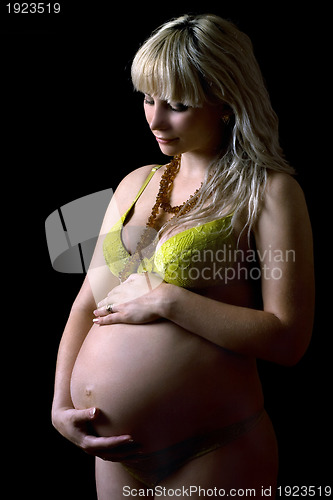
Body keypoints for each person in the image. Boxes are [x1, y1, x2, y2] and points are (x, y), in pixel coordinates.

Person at [51, 14, 314, 499]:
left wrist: (171, 301)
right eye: (148, 100)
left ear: (226, 102)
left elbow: (288, 336)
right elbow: (88, 300)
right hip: (114, 454)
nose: (155, 119)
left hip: (214, 449)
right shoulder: (137, 182)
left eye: (178, 105)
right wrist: (59, 404)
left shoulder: (270, 193)